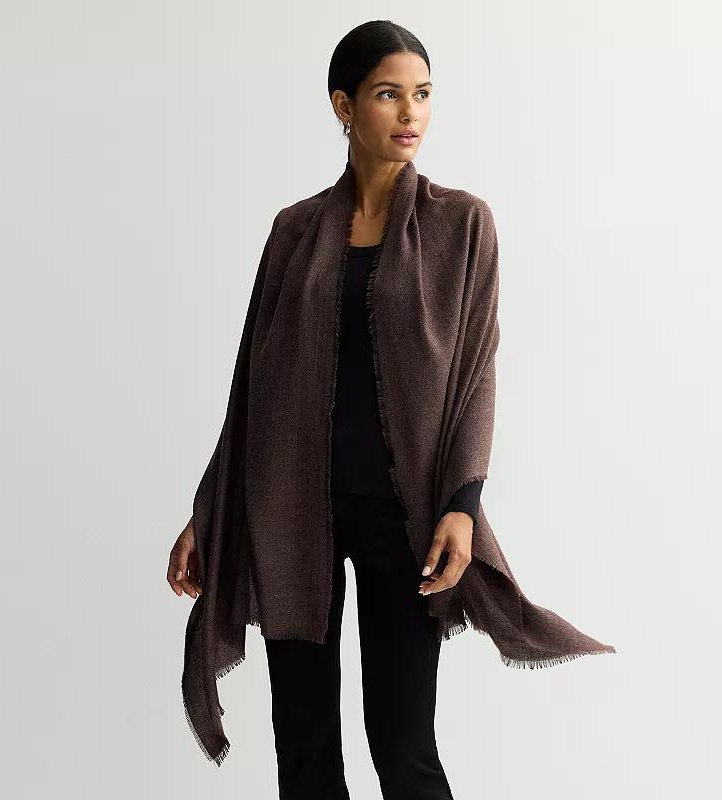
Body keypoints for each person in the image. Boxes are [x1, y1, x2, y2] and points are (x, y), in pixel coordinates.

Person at [168, 18, 615, 797]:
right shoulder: (293, 231)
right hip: (292, 510)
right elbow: (251, 388)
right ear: (343, 106)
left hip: (405, 519)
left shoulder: (462, 223)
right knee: (304, 753)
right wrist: (209, 513)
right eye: (388, 94)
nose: (411, 113)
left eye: (423, 94)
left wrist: (462, 505)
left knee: (404, 748)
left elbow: (475, 374)